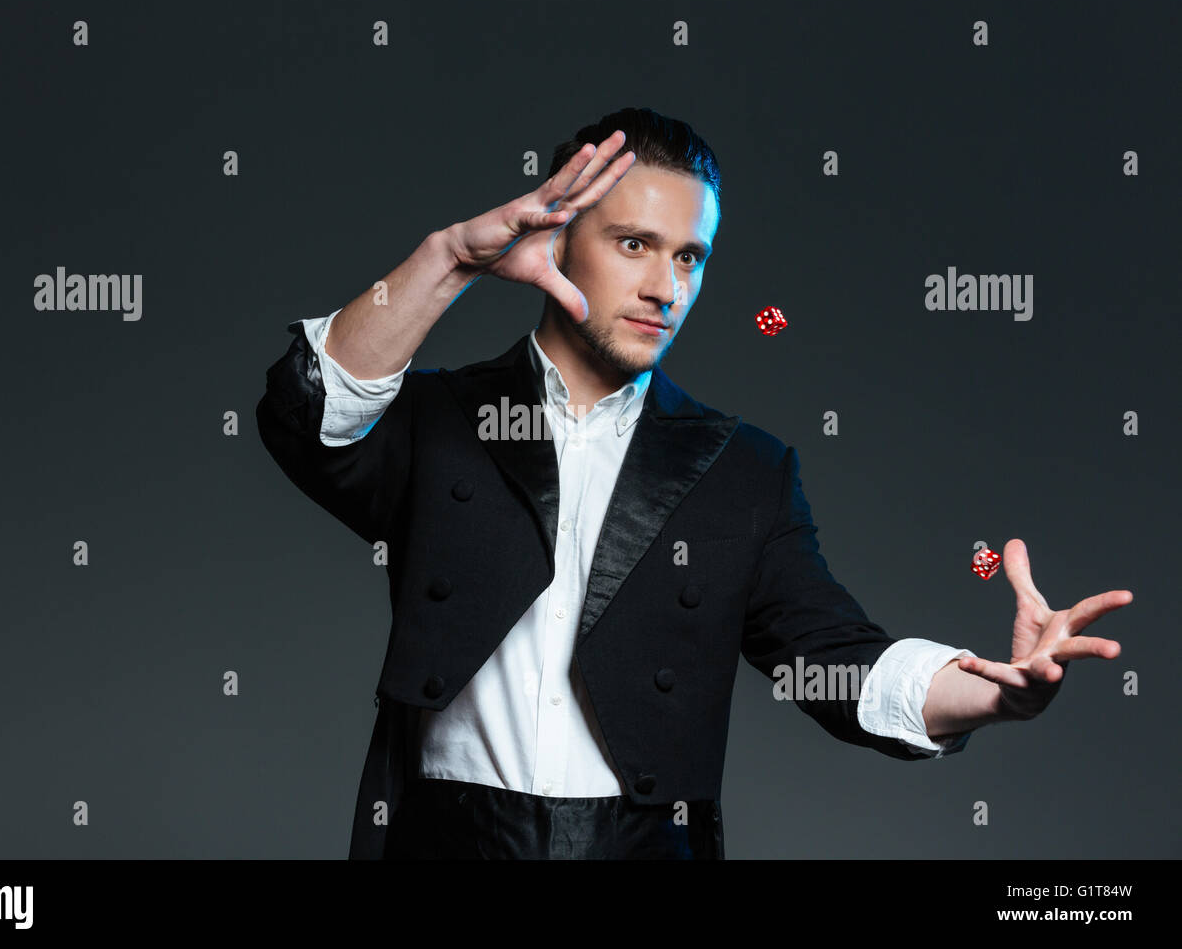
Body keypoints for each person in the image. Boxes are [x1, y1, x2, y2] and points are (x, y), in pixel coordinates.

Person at [256, 107, 1132, 859]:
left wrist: (994, 692)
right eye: (635, 245)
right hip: (440, 841)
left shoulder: (744, 470)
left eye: (690, 258)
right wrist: (450, 258)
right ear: (557, 241)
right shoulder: (443, 420)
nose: (666, 287)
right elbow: (313, 411)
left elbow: (832, 664)